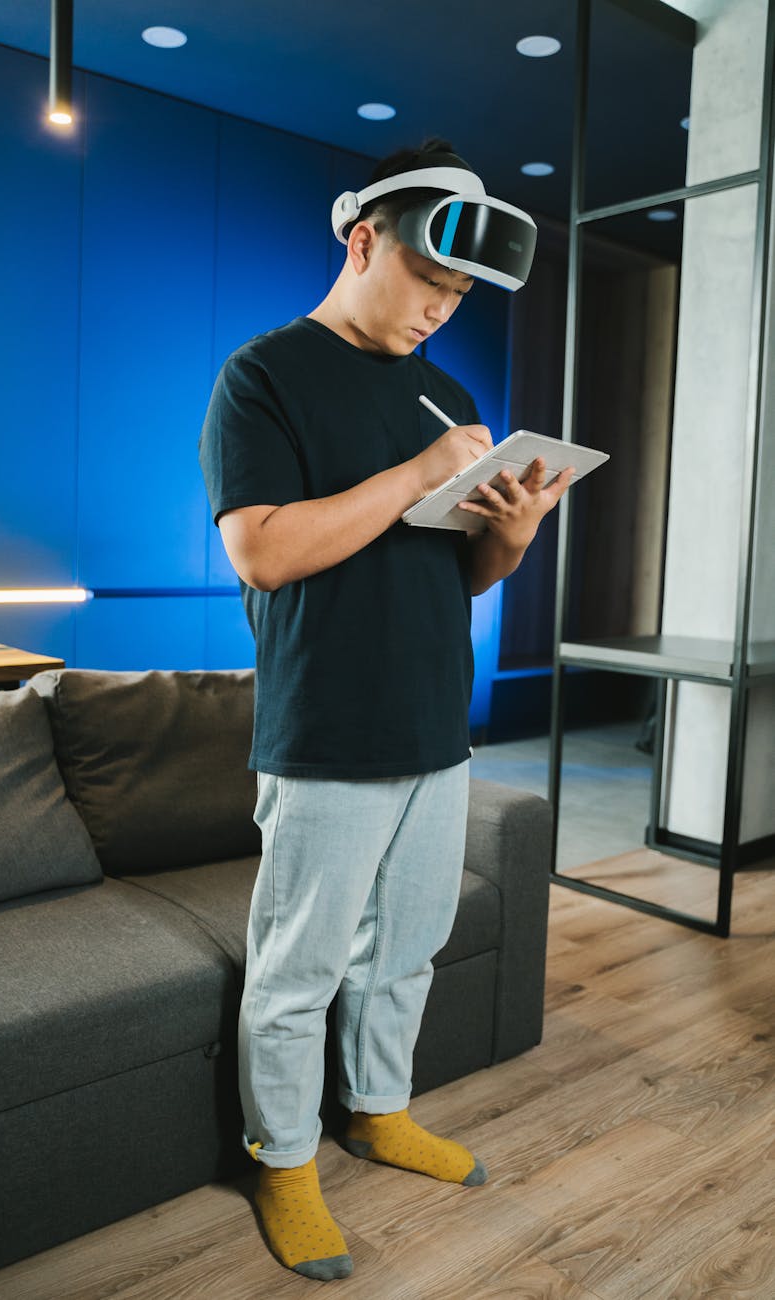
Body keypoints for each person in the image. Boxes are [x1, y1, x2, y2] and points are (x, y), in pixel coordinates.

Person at [199, 138, 572, 1282]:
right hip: (326, 729)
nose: (442, 311)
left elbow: (461, 573)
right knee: (298, 967)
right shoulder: (262, 376)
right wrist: (417, 473)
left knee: (408, 948)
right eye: (429, 281)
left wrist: (513, 531)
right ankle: (283, 1160)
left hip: (434, 724)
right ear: (365, 242)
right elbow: (264, 551)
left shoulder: (446, 394)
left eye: (460, 295)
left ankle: (378, 1109)